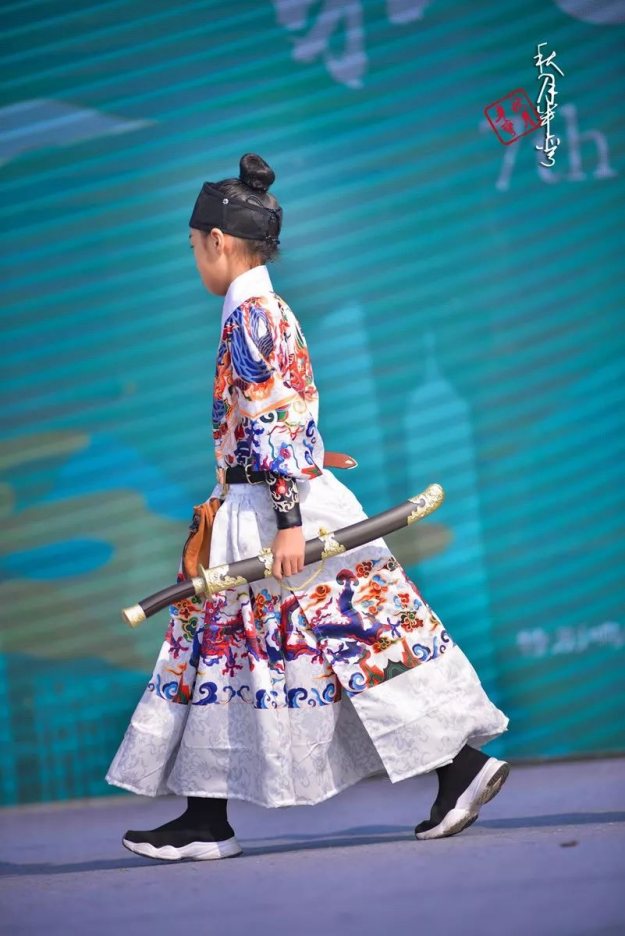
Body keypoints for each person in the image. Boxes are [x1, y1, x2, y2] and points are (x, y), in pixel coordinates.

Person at [106, 153, 509, 861]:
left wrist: (289, 520)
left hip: (271, 512)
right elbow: (282, 416)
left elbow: (270, 420)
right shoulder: (267, 309)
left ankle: (457, 767)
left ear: (219, 242)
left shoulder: (251, 317)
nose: (195, 258)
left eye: (195, 246)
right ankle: (207, 817)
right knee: (273, 650)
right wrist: (310, 458)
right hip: (273, 497)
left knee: (335, 643)